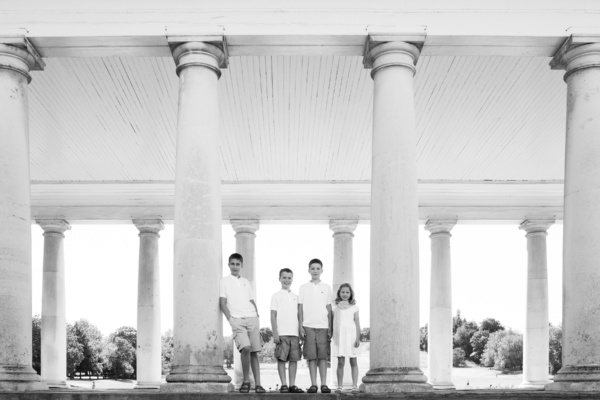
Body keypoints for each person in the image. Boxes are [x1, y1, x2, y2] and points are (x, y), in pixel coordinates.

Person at [219, 253, 266, 394]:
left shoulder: (246, 282)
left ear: (241, 265)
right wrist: (231, 320)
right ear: (229, 265)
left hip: (252, 318)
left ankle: (258, 384)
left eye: (237, 264)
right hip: (237, 320)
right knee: (245, 348)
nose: (235, 266)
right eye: (232, 264)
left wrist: (257, 316)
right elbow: (222, 302)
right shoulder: (224, 281)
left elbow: (252, 301)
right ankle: (246, 381)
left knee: (254, 352)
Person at [298, 258, 333, 394]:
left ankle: (324, 384)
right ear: (309, 270)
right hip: (308, 325)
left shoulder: (326, 287)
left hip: (323, 326)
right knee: (311, 357)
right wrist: (300, 326)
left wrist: (330, 326)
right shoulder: (303, 287)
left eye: (318, 268)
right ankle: (313, 384)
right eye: (312, 268)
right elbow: (300, 308)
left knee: (323, 357)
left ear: (322, 270)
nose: (315, 271)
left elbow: (329, 308)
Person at [270, 268, 305, 393]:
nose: (286, 280)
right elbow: (273, 316)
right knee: (281, 359)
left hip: (294, 334)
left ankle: (292, 385)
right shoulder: (276, 296)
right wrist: (275, 333)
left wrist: (301, 331)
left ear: (292, 279)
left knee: (293, 360)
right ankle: (284, 384)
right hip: (282, 334)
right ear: (279, 279)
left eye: (289, 278)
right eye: (284, 277)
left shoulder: (296, 297)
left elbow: (300, 316)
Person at [331, 283, 361, 394]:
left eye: (347, 292)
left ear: (350, 294)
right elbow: (332, 322)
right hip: (340, 336)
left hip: (351, 336)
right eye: (343, 292)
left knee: (353, 361)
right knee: (340, 362)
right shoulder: (335, 307)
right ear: (339, 293)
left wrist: (358, 338)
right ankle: (339, 385)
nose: (345, 294)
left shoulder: (354, 308)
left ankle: (354, 385)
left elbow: (357, 324)